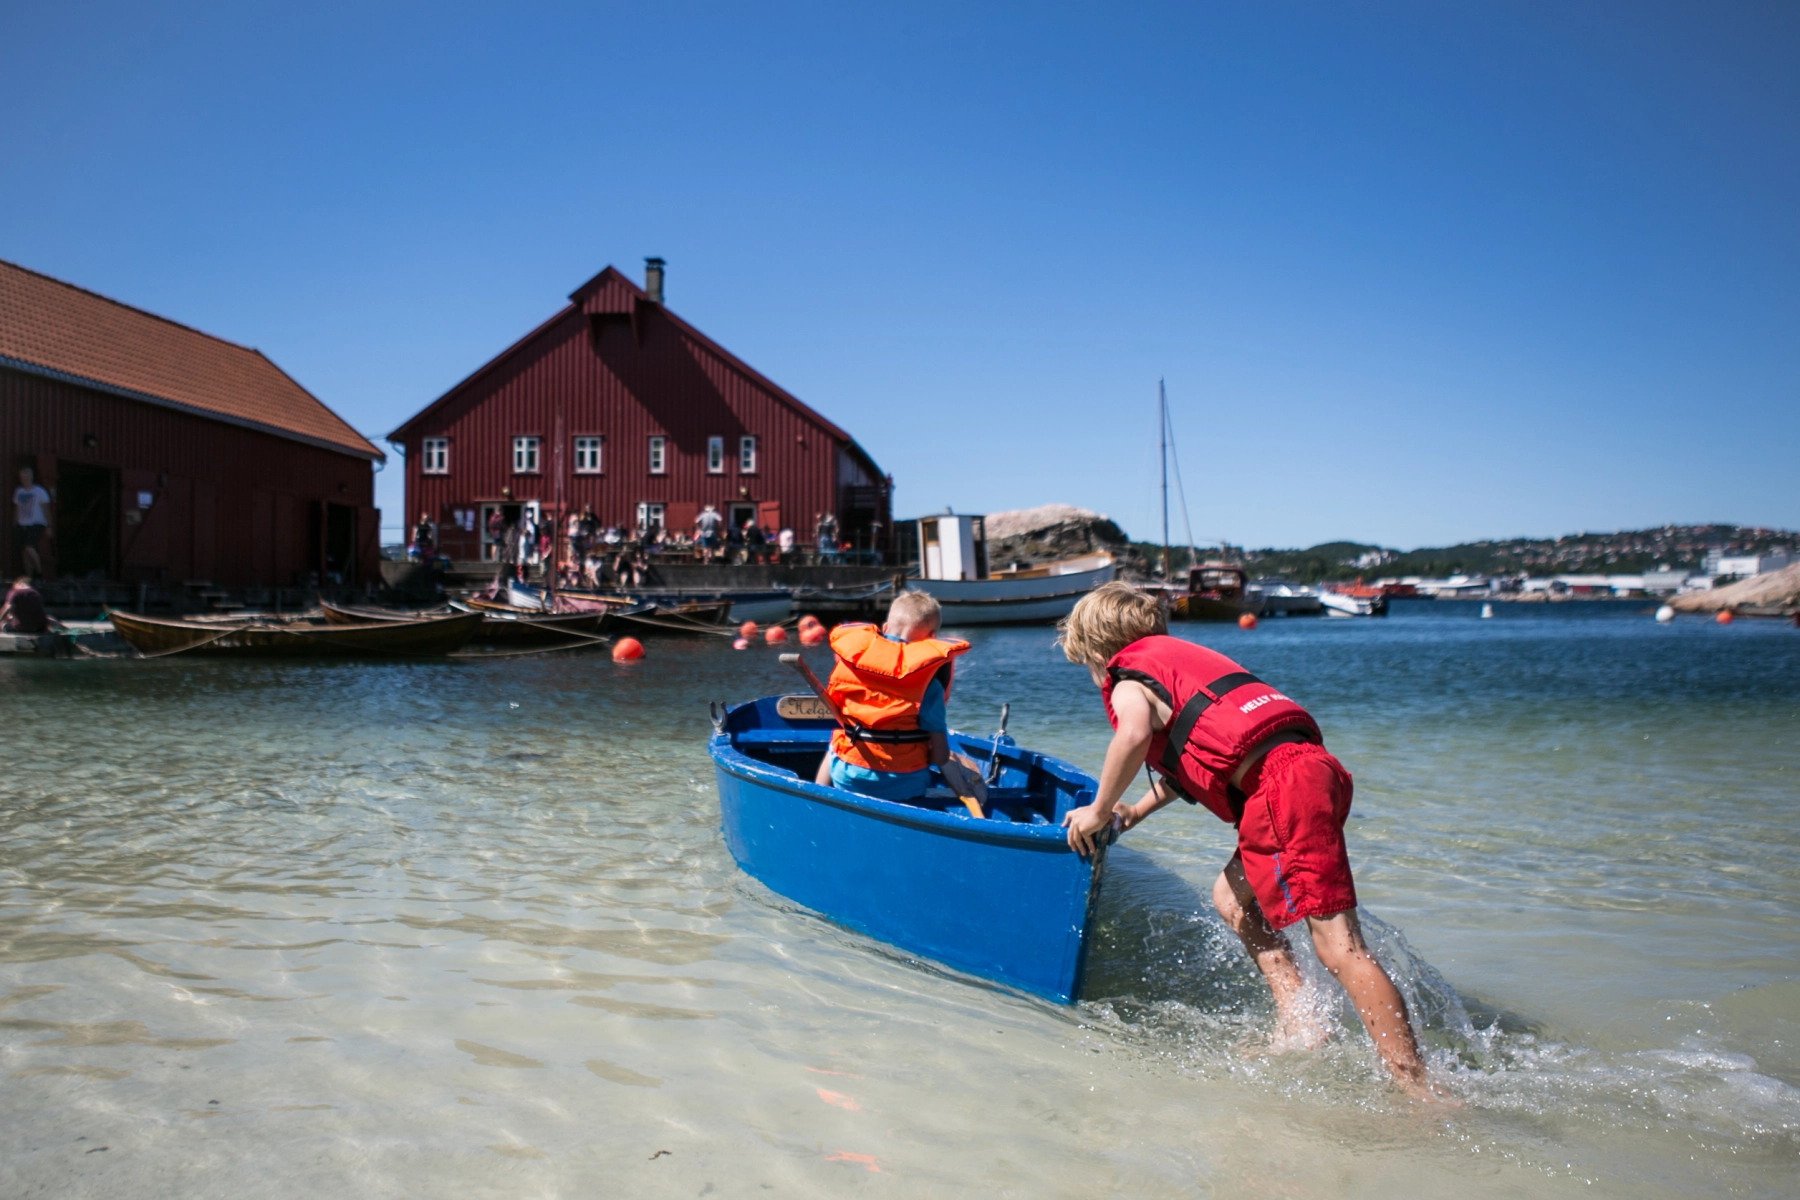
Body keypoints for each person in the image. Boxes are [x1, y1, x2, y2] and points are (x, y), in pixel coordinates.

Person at [1056, 582, 1436, 1097]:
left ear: (1098, 648)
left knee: (1340, 949)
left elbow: (1133, 735)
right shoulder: (1180, 663)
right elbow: (1206, 746)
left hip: (1284, 788)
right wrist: (1136, 808)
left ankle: (1420, 1090)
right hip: (1310, 773)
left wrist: (1098, 811)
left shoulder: (1126, 674)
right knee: (1233, 901)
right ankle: (1303, 1025)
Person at [812, 591, 984, 803]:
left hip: (848, 777)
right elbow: (939, 757)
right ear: (931, 638)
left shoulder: (851, 663)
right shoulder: (930, 683)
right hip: (904, 785)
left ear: (884, 628)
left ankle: (817, 797)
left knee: (838, 738)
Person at [13, 467, 50, 579]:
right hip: (22, 524)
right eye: (23, 477)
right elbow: (16, 508)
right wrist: (14, 522)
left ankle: (39, 574)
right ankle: (29, 577)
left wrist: (49, 525)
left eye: (27, 476)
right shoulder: (19, 491)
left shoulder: (39, 491)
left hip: (37, 523)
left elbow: (46, 509)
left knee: (29, 547)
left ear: (31, 477)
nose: (25, 479)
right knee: (24, 551)